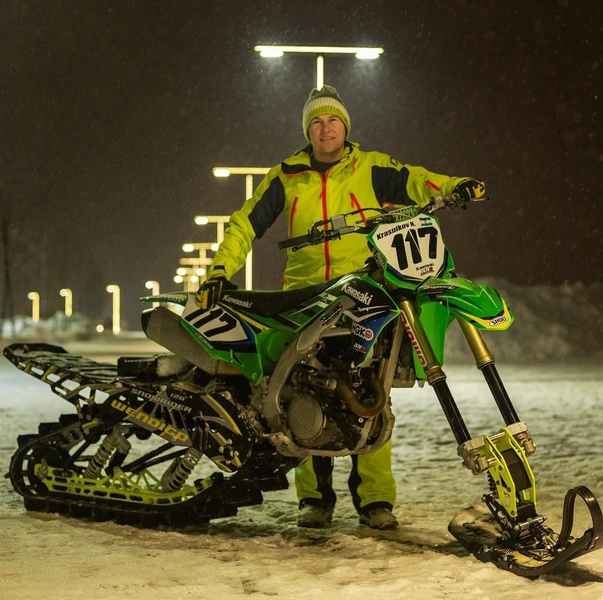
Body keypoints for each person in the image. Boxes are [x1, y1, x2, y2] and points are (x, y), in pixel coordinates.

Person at [196, 85, 485, 530]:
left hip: (363, 294)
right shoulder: (286, 176)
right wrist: (219, 270)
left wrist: (455, 187)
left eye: (332, 120)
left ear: (345, 127)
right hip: (306, 297)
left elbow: (417, 180)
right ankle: (314, 499)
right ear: (307, 131)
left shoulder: (370, 167)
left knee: (371, 393)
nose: (325, 128)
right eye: (316, 121)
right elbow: (244, 225)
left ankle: (375, 501)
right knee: (302, 389)